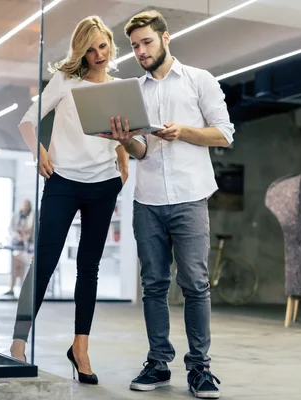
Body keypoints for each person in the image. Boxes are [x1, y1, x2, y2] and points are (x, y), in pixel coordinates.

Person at [99, 10, 234, 399]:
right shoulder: (132, 91)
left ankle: (200, 369)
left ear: (165, 38)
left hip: (191, 197)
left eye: (147, 42)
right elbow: (142, 151)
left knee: (194, 284)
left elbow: (224, 134)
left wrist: (185, 131)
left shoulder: (199, 80)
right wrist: (124, 140)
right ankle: (158, 363)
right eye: (135, 46)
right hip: (149, 199)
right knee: (153, 285)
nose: (140, 51)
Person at [9, 16, 129, 385]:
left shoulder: (121, 88)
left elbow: (126, 136)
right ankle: (18, 341)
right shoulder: (65, 80)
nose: (97, 54)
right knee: (44, 261)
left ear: (110, 44)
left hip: (103, 186)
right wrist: (39, 151)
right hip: (62, 181)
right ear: (81, 50)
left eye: (103, 46)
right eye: (90, 48)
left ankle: (80, 348)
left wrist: (122, 172)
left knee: (88, 269)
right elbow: (28, 122)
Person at [4, 199, 34, 296]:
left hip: (27, 250)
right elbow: (12, 229)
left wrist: (23, 234)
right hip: (17, 246)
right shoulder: (17, 216)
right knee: (16, 267)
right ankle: (15, 289)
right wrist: (17, 234)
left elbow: (29, 232)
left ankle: (20, 289)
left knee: (19, 267)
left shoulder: (31, 217)